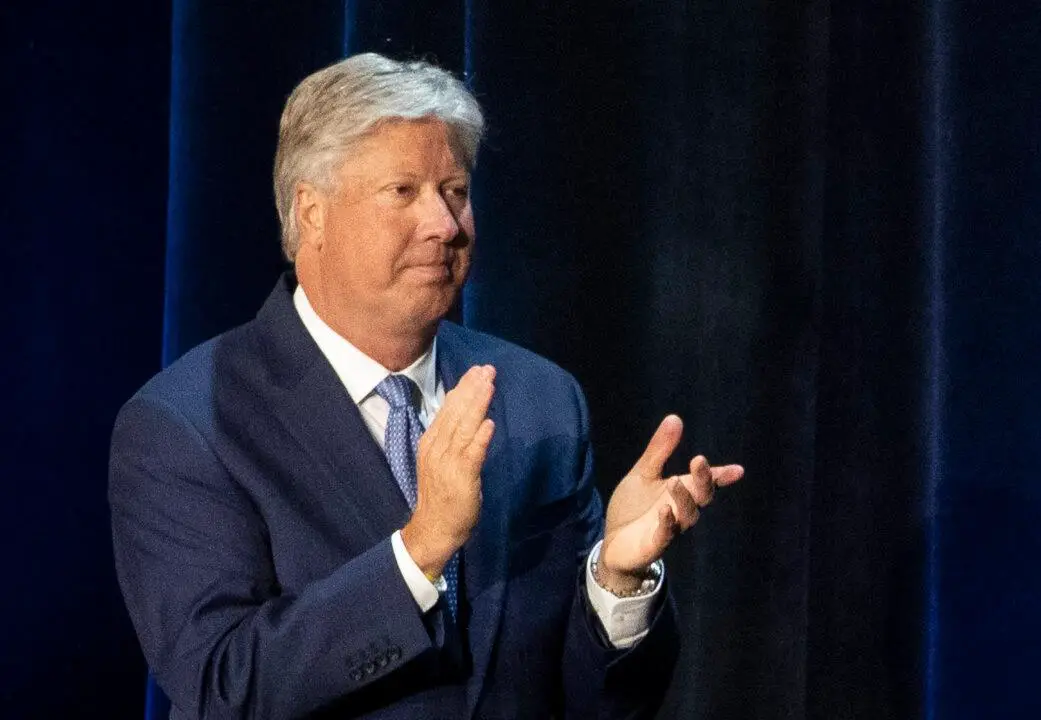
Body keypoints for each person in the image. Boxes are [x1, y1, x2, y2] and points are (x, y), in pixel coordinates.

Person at [109, 52, 743, 719]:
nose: (444, 225)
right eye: (404, 191)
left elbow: (597, 700)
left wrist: (616, 579)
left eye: (456, 191)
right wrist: (419, 550)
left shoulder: (539, 400)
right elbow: (222, 684)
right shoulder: (187, 423)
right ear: (312, 211)